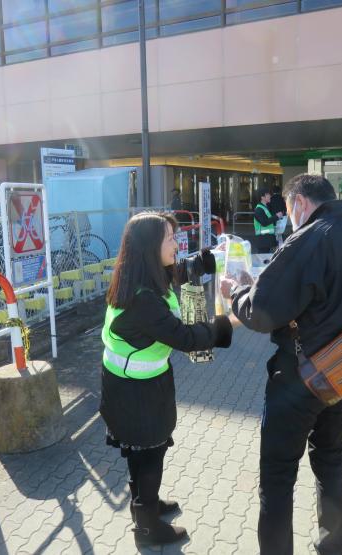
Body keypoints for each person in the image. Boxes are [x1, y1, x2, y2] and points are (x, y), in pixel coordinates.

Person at [221, 174, 342, 555]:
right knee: (332, 461)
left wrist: (236, 292)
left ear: (298, 203)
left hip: (299, 379)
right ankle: (335, 548)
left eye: (288, 209)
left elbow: (261, 312)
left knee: (278, 476)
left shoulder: (309, 238)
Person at [100, 212, 233, 547]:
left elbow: (175, 275)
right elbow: (185, 337)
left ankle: (146, 503)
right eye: (170, 239)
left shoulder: (140, 276)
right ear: (149, 247)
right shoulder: (143, 299)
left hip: (137, 387)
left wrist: (197, 265)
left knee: (142, 455)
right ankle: (147, 529)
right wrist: (227, 322)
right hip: (135, 396)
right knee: (149, 457)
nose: (177, 244)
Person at [253, 187, 282, 254]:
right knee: (263, 260)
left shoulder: (265, 207)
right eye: (267, 194)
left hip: (266, 240)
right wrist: (276, 216)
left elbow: (269, 222)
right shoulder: (259, 209)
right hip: (263, 241)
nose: (270, 196)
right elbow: (264, 222)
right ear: (262, 197)